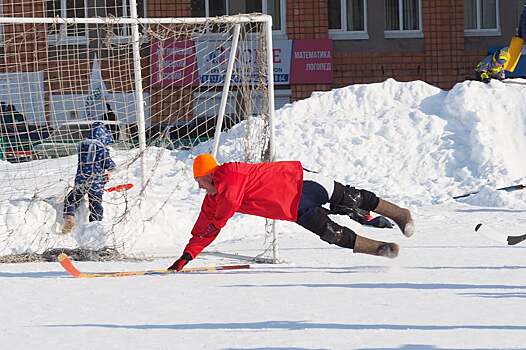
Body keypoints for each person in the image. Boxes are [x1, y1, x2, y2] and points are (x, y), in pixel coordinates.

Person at [167, 153, 414, 271]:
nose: (198, 186)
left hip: (300, 182)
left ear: (210, 174)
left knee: (353, 198)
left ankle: (400, 214)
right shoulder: (213, 200)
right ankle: (382, 249)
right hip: (294, 208)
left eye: (199, 180)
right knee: (332, 234)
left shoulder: (230, 173)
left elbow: (229, 203)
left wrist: (217, 219)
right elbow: (204, 228)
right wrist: (187, 255)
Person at [62, 122, 116, 234]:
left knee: (71, 199)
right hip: (96, 183)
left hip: (81, 180)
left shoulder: (82, 146)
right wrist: (110, 171)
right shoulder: (102, 148)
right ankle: (94, 226)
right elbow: (109, 164)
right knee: (95, 205)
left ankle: (70, 217)